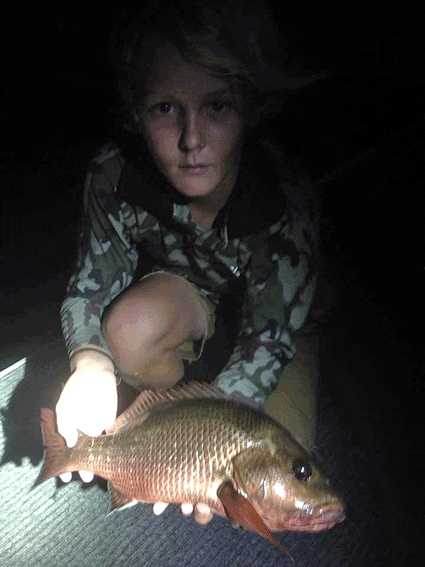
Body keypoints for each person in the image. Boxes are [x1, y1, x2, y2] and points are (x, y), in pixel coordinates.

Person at [55, 0, 323, 526]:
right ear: (135, 111)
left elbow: (269, 337)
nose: (191, 139)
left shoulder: (286, 202)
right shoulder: (113, 175)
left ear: (250, 106)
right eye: (164, 108)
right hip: (193, 294)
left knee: (277, 492)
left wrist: (218, 440)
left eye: (217, 106)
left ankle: (189, 423)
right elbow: (90, 285)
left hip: (274, 327)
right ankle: (167, 430)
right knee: (124, 333)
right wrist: (90, 362)